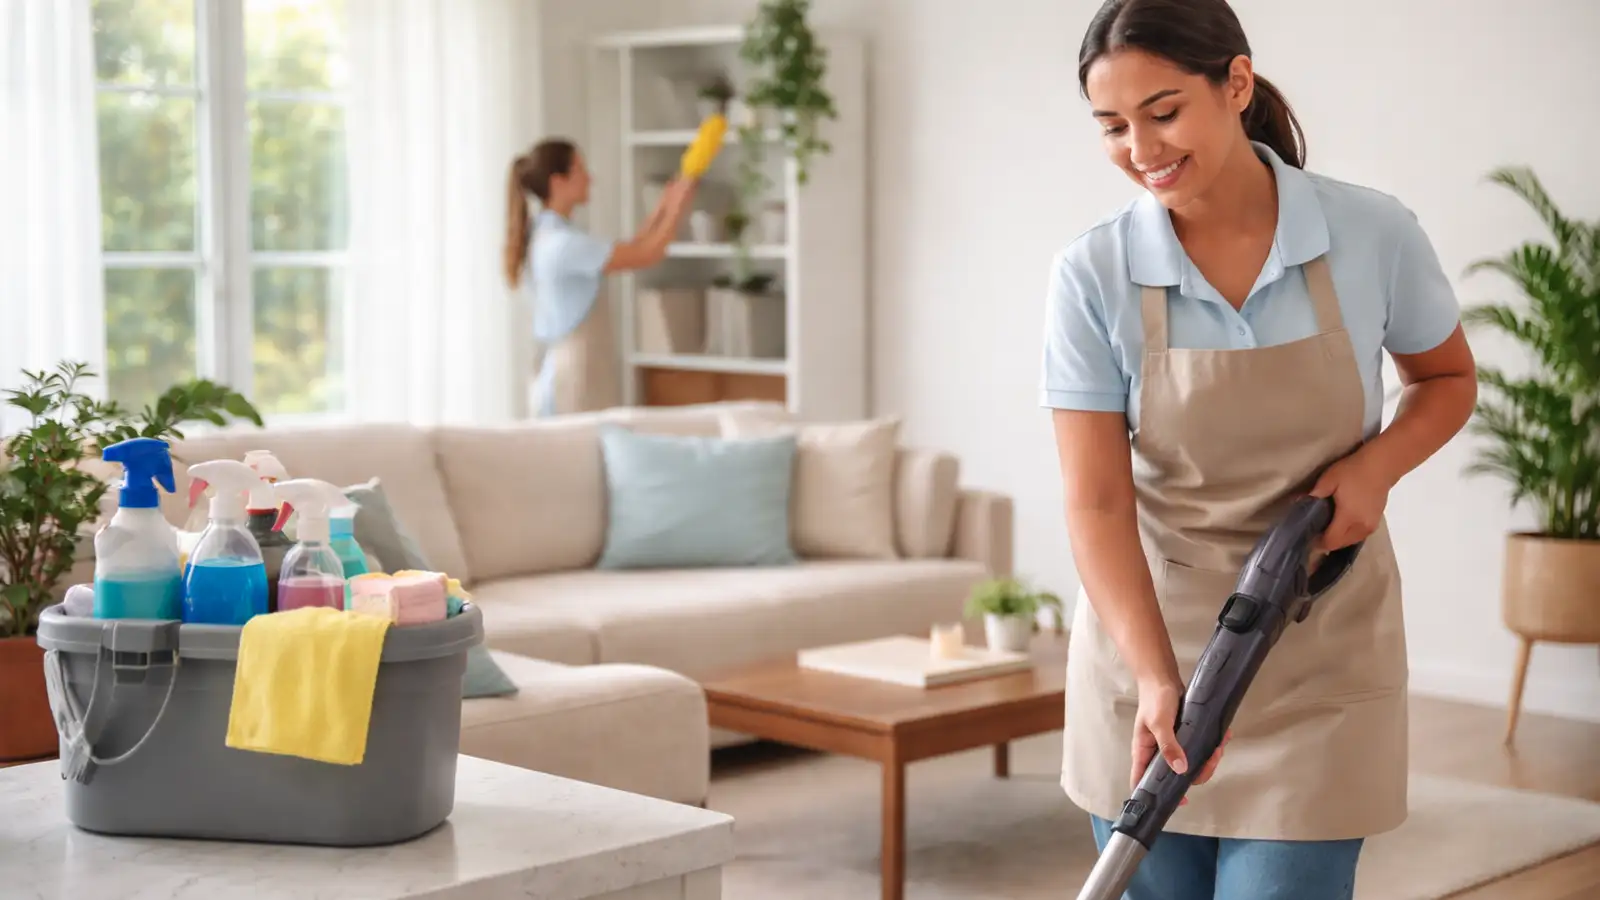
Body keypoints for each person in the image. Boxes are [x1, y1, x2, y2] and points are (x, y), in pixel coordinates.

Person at [1041, 1, 1477, 897]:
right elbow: (1095, 501)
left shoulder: (1370, 233)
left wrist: (1375, 467)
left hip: (1319, 645)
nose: (1140, 148)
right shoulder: (1093, 274)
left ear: (1235, 84)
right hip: (1149, 655)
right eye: (1113, 126)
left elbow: (1446, 379)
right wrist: (1158, 680)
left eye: (1163, 112)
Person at [504, 139, 698, 416]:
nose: (589, 178)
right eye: (580, 169)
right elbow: (648, 254)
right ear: (558, 182)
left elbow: (634, 247)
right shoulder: (563, 244)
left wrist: (664, 205)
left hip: (566, 369)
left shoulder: (545, 237)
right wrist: (679, 205)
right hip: (574, 378)